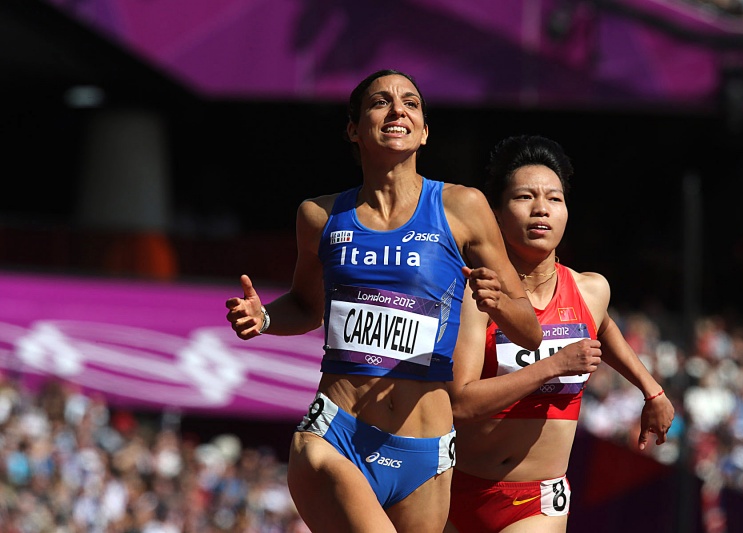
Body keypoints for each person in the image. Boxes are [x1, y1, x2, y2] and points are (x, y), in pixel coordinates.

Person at [225, 70, 543, 533]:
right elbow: (307, 307)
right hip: (336, 437)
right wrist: (266, 317)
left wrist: (499, 304)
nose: (397, 110)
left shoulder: (463, 207)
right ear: (354, 129)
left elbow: (530, 331)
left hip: (424, 452)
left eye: (411, 103)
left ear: (425, 131)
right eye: (381, 102)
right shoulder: (319, 216)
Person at [445, 135, 675, 533]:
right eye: (524, 197)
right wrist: (553, 366)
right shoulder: (479, 294)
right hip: (454, 491)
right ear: (495, 215)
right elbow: (460, 404)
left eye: (554, 198)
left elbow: (603, 326)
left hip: (537, 501)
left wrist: (651, 389)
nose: (541, 209)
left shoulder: (591, 290)